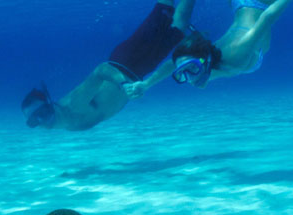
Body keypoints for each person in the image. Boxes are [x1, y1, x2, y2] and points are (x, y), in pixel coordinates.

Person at [22, 0, 195, 131]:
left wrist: (124, 84)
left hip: (128, 59)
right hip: (138, 71)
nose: (41, 121)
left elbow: (101, 70)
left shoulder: (73, 105)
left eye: (42, 113)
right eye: (33, 121)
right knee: (180, 25)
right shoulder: (71, 126)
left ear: (49, 102)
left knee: (164, 10)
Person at [138, 0, 293, 93]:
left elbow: (267, 18)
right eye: (182, 74)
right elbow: (173, 64)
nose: (190, 80)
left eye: (192, 69)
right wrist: (146, 84)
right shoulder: (206, 64)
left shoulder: (236, 53)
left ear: (206, 60)